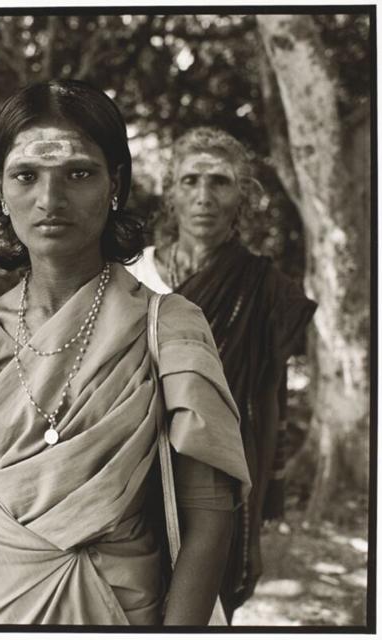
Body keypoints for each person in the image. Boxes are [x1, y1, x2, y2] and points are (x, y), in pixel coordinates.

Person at [0, 79, 251, 626]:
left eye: (79, 174)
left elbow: (209, 517)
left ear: (116, 184)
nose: (50, 200)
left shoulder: (170, 324)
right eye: (26, 175)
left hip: (120, 610)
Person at [126, 126, 317, 620]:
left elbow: (267, 398)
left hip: (218, 475)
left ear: (243, 195)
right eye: (190, 181)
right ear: (170, 192)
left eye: (220, 182)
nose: (204, 197)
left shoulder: (266, 288)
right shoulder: (131, 275)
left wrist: (255, 513)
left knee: (203, 607)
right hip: (131, 469)